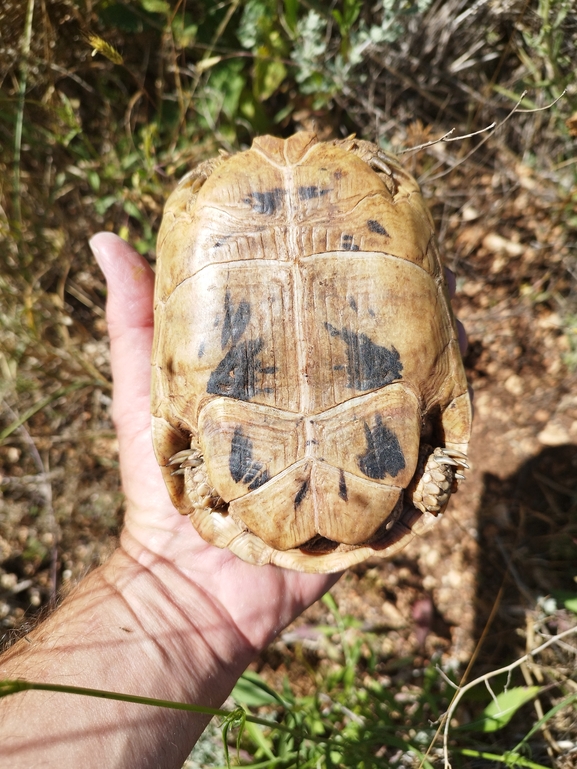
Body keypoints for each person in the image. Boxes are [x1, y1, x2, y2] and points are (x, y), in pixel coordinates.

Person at [0, 233, 467, 768]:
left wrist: (166, 579)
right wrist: (426, 476)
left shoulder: (218, 500)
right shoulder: (399, 494)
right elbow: (439, 431)